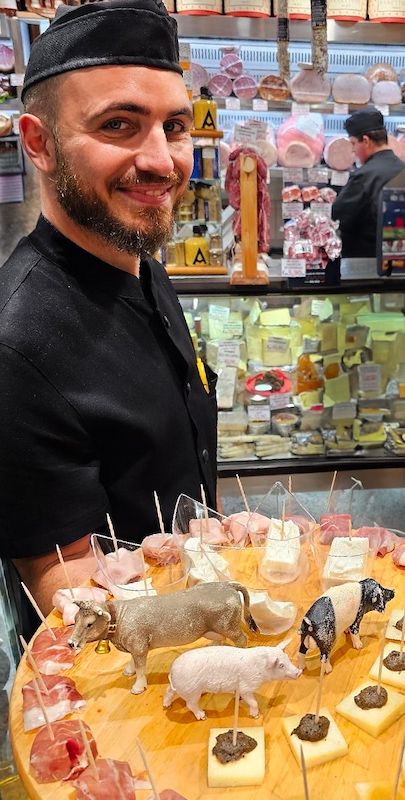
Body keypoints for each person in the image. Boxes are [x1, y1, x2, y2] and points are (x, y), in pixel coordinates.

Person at [0, 0, 217, 631]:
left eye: (174, 127)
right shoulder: (18, 345)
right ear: (39, 144)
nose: (162, 161)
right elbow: (61, 586)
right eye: (119, 125)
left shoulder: (138, 259)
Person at [332, 109, 405, 259]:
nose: (352, 150)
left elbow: (339, 217)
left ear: (365, 141)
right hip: (402, 261)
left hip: (365, 262)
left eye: (353, 143)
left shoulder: (364, 176)